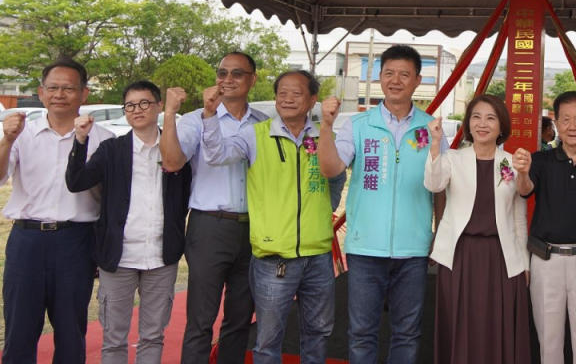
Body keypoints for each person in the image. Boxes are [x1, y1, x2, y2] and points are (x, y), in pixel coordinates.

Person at [316, 44, 447, 364]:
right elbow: (330, 168)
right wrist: (326, 126)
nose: (396, 80)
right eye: (389, 73)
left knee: (407, 332)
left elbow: (440, 188)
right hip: (364, 248)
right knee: (361, 333)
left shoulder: (431, 128)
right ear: (378, 78)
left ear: (418, 80)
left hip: (413, 248)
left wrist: (439, 234)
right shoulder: (359, 125)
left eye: (405, 74)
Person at [201, 70, 338, 364]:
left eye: (297, 93)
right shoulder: (255, 134)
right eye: (282, 93)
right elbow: (216, 155)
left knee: (318, 334)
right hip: (274, 258)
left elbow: (336, 180)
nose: (287, 99)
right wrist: (210, 115)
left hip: (318, 256)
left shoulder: (325, 137)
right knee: (268, 339)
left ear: (312, 99)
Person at [65, 80, 192, 364]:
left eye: (145, 103)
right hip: (118, 257)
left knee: (153, 336)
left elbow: (185, 196)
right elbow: (76, 182)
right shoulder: (112, 150)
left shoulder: (175, 151)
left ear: (159, 106)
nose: (137, 110)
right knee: (113, 339)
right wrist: (80, 141)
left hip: (161, 257)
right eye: (130, 105)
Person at [0, 58, 115, 364]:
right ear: (41, 92)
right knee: (19, 329)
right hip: (27, 240)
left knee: (70, 331)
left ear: (84, 93)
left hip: (75, 242)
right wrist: (6, 140)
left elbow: (114, 199)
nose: (60, 94)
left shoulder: (104, 139)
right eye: (53, 87)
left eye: (68, 88)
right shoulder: (21, 133)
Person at [159, 52, 269, 364]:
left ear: (253, 79)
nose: (228, 80)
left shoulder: (264, 124)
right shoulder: (196, 119)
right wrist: (170, 114)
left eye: (237, 73)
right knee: (200, 318)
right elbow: (171, 162)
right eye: (222, 73)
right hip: (210, 226)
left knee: (239, 317)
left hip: (255, 228)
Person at [424, 94, 531, 363]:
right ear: (469, 124)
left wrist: (524, 262)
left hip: (501, 256)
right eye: (476, 117)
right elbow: (434, 184)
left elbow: (518, 215)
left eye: (490, 118)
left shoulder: (511, 162)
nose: (482, 124)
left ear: (501, 126)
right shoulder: (453, 158)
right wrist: (435, 144)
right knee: (460, 323)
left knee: (498, 324)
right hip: (460, 256)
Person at [514, 90, 576, 364]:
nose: (572, 126)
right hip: (547, 259)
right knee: (548, 340)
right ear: (556, 123)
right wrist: (522, 172)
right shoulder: (540, 161)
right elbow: (524, 190)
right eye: (565, 119)